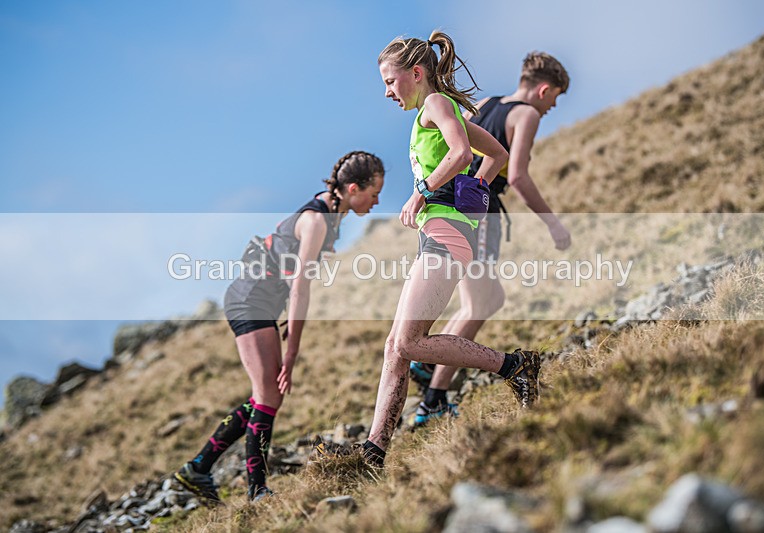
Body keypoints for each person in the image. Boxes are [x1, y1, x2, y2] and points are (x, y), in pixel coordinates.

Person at [315, 31, 542, 469]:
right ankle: (374, 453)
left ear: (415, 73)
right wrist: (475, 190)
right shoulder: (434, 112)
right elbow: (492, 152)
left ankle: (515, 365)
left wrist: (425, 190)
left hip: (446, 236)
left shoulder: (437, 105)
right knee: (395, 348)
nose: (386, 91)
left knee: (410, 342)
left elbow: (460, 153)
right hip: (439, 234)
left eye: (390, 80)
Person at [173, 151, 384, 502]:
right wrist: (292, 353)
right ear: (352, 188)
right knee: (270, 394)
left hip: (261, 303)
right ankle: (257, 491)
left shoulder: (330, 213)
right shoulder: (317, 221)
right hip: (250, 300)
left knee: (264, 395)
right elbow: (300, 287)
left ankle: (198, 468)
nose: (377, 200)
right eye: (374, 192)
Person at [411, 51, 573, 426]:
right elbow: (516, 175)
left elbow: (450, 141)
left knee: (488, 299)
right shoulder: (526, 114)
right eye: (555, 98)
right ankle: (432, 394)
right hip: (478, 211)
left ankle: (428, 372)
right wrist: (553, 224)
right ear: (544, 89)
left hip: (451, 206)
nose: (552, 107)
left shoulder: (483, 104)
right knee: (477, 305)